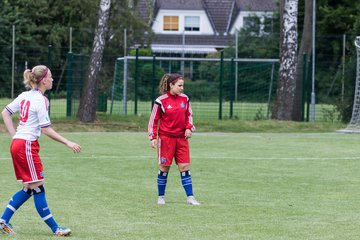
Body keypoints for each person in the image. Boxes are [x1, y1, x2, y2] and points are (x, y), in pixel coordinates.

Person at [0, 65, 81, 236]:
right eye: (50, 76)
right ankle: (56, 229)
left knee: (29, 187)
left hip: (19, 145)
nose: (52, 79)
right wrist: (67, 142)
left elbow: (5, 113)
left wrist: (15, 136)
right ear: (43, 80)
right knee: (38, 187)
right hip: (26, 146)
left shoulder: (24, 95)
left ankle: (3, 220)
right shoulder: (41, 100)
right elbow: (46, 129)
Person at [148, 73, 200, 205]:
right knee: (164, 168)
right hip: (166, 139)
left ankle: (190, 197)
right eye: (179, 85)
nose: (182, 88)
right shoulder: (161, 101)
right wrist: (152, 137)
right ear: (171, 85)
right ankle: (161, 197)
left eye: (183, 85)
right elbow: (153, 120)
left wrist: (189, 128)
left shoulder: (185, 99)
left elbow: (189, 115)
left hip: (182, 139)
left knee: (184, 167)